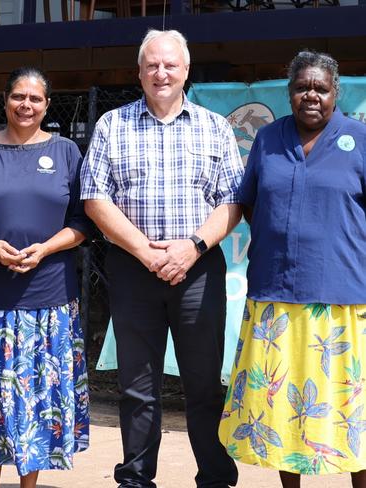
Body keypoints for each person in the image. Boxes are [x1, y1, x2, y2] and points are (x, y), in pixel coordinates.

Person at [81, 29, 244, 488]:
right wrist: (144, 251)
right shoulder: (114, 124)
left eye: (170, 64)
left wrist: (190, 247)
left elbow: (233, 200)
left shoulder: (215, 126)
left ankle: (214, 477)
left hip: (198, 270)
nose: (161, 73)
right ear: (139, 72)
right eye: (152, 65)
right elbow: (95, 198)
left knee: (205, 384)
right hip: (134, 270)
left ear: (186, 70)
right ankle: (135, 478)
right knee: (136, 386)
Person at [218, 51, 366, 487]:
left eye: (320, 88)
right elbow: (248, 202)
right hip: (275, 292)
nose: (311, 96)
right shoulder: (268, 139)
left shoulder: (359, 139)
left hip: (342, 297)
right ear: (290, 93)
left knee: (348, 409)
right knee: (283, 406)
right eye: (302, 87)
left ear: (335, 93)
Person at [0, 66, 90, 488]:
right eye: (18, 97)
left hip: (48, 299)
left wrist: (46, 248)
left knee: (37, 402)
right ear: (5, 100)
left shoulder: (66, 153)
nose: (26, 105)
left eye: (35, 98)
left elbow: (83, 220)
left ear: (46, 104)